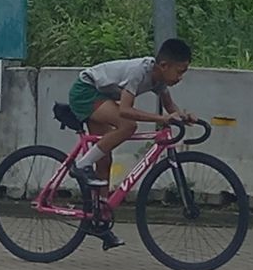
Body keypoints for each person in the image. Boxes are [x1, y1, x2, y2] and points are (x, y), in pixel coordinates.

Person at [67, 38, 196, 250]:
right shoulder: (139, 72)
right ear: (164, 65)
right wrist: (161, 119)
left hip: (102, 95)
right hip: (86, 91)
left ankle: (99, 219)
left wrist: (184, 116)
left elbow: (170, 107)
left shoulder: (160, 79)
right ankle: (80, 166)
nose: (180, 78)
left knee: (104, 159)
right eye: (179, 72)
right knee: (128, 126)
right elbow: (126, 110)